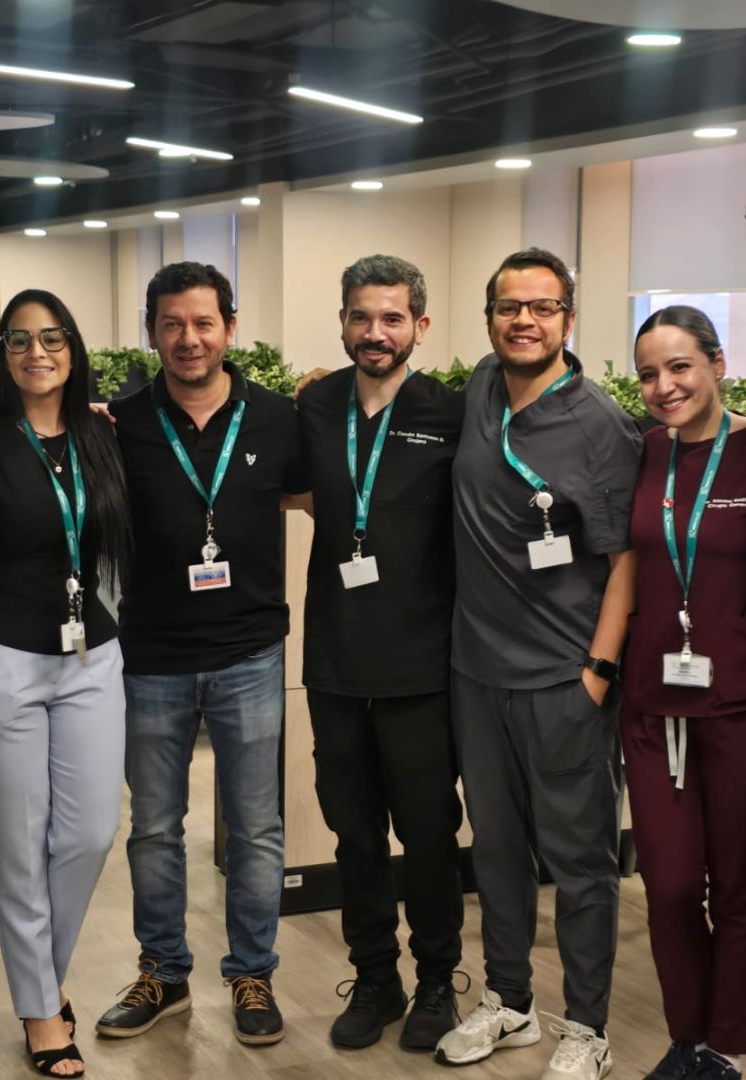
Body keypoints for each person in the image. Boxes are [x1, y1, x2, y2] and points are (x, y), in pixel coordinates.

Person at [437, 248, 640, 1080]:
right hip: (477, 674)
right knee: (495, 850)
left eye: (542, 307)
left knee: (582, 865)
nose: (524, 320)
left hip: (564, 679)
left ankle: (587, 1028)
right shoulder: (482, 386)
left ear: (568, 318)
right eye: (508, 306)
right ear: (489, 317)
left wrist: (598, 671)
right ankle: (510, 1001)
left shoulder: (601, 425)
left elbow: (626, 559)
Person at [95, 261, 307, 1047]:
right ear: (152, 332)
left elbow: (310, 495)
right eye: (173, 324)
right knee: (155, 828)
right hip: (151, 655)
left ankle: (252, 973)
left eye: (204, 323)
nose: (189, 339)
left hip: (250, 652)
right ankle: (164, 972)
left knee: (256, 830)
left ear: (230, 327)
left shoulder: (278, 418)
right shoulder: (119, 424)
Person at [0, 289, 131, 1078]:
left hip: (93, 656)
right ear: (2, 354)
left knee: (89, 833)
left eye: (51, 338)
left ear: (73, 347)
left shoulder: (102, 433)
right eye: (18, 340)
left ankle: (40, 984)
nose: (36, 352)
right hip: (1, 660)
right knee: (20, 848)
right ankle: (42, 1013)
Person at [295, 254, 465, 1052]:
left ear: (419, 327)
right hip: (334, 663)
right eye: (361, 317)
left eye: (392, 318)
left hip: (421, 666)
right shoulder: (314, 404)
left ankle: (436, 981)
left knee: (428, 835)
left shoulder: (450, 412)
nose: (375, 332)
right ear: (342, 322)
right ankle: (374, 980)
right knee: (354, 836)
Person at [621, 306, 746, 1080]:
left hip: (737, 710)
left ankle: (722, 1047)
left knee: (737, 886)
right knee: (667, 885)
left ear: (717, 364)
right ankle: (688, 1033)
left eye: (679, 367)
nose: (663, 386)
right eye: (648, 374)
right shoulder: (644, 453)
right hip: (652, 707)